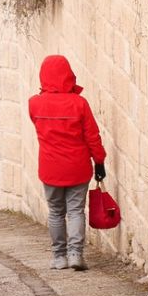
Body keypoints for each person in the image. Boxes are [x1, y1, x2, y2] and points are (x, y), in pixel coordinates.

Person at [28, 55, 107, 271]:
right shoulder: (79, 104)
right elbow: (93, 136)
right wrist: (99, 161)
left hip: (50, 167)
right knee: (75, 211)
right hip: (78, 166)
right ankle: (75, 255)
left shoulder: (35, 104)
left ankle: (59, 256)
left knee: (55, 211)